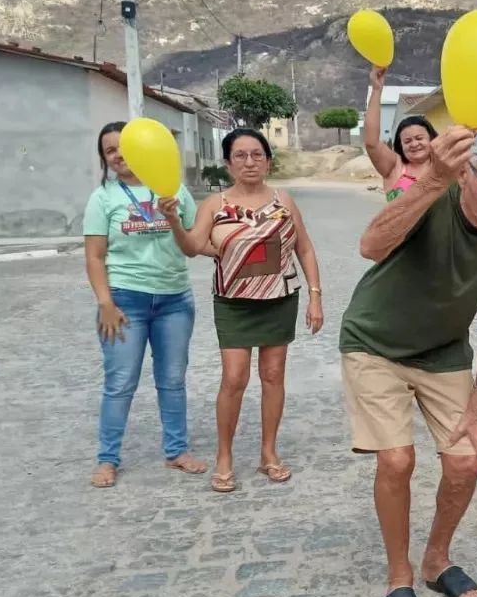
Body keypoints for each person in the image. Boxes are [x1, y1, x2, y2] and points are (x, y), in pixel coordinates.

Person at [339, 126, 477, 597]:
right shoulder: (436, 192)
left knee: (467, 460)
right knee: (396, 458)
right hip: (375, 341)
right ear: (467, 174)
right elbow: (370, 245)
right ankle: (398, 574)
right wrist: (431, 180)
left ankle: (435, 559)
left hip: (445, 350)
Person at [161, 128, 324, 493]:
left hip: (279, 298)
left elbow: (306, 249)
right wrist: (173, 220)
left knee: (273, 375)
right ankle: (224, 456)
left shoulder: (284, 199)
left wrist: (315, 296)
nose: (249, 162)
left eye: (257, 154)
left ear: (268, 160)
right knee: (234, 378)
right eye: (240, 156)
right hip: (234, 302)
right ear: (228, 163)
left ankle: (268, 453)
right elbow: (192, 247)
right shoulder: (214, 205)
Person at [84, 122, 207, 488]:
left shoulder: (174, 190)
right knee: (120, 382)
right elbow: (94, 256)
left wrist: (174, 219)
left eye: (124, 147)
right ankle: (108, 459)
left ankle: (176, 451)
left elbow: (192, 243)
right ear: (105, 159)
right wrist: (105, 302)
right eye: (110, 151)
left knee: (172, 380)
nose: (119, 155)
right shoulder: (103, 198)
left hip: (175, 300)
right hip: (125, 301)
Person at [363, 65, 438, 201]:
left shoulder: (445, 166)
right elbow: (371, 143)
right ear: (400, 145)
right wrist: (376, 89)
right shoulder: (394, 166)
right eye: (407, 141)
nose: (414, 144)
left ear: (431, 138)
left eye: (419, 138)